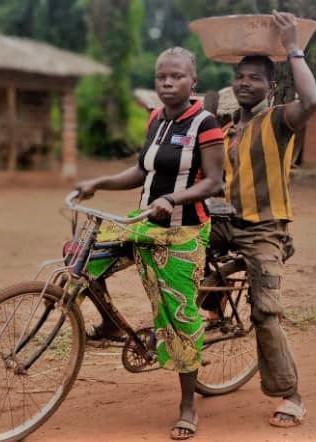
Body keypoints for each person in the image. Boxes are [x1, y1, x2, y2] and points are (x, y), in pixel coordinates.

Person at [74, 46, 224, 440]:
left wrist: (173, 199)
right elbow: (142, 170)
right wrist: (99, 182)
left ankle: (188, 403)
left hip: (183, 230)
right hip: (142, 223)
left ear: (193, 81)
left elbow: (214, 181)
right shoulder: (156, 119)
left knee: (180, 315)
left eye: (176, 76)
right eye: (162, 77)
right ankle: (109, 323)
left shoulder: (205, 123)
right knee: (81, 258)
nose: (168, 83)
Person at [211, 10, 316, 428]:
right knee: (176, 243)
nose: (244, 82)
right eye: (240, 75)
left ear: (270, 87)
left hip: (263, 229)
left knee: (265, 312)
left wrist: (293, 46)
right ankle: (214, 304)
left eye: (255, 78)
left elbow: (312, 101)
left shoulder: (279, 120)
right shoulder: (226, 130)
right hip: (225, 222)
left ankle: (290, 394)